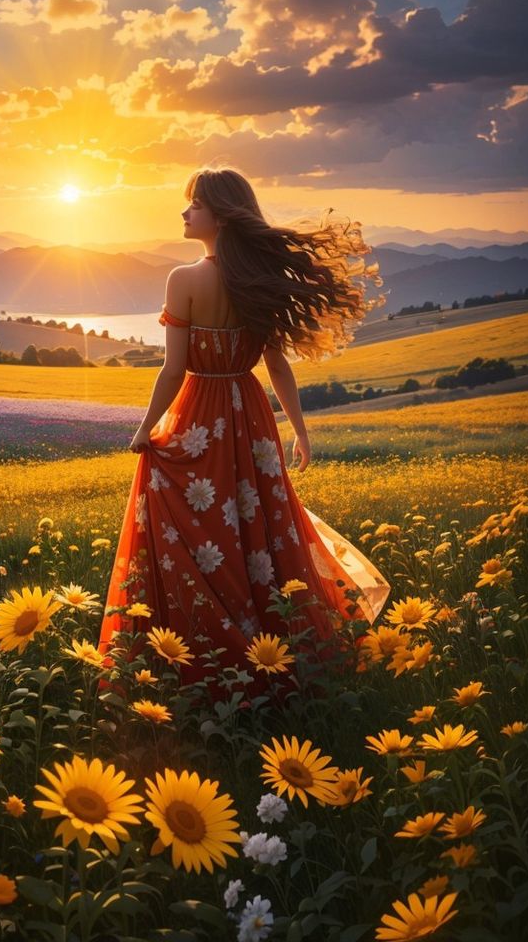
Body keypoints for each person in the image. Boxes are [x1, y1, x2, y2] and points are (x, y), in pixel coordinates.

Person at [96, 167, 389, 697]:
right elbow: (276, 367)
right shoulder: (256, 281)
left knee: (198, 531)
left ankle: (200, 658)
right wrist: (299, 430)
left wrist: (145, 430)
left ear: (222, 215)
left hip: (200, 412)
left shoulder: (183, 280)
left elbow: (174, 371)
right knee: (265, 531)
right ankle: (281, 657)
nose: (184, 213)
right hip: (251, 417)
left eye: (195, 205)